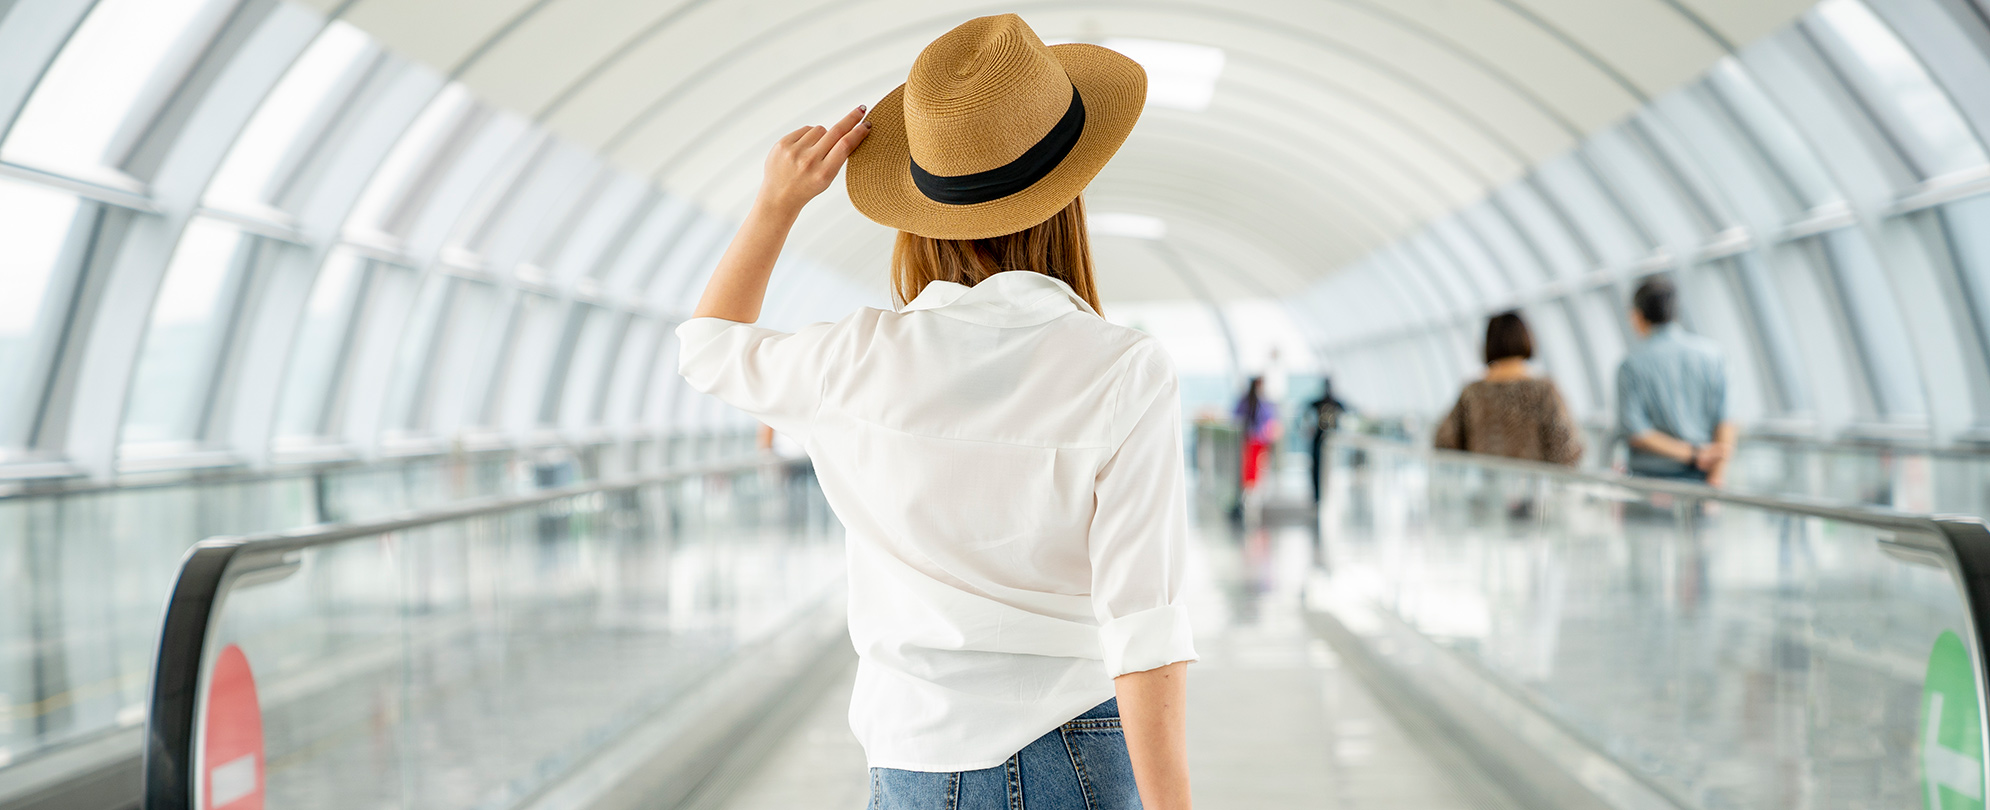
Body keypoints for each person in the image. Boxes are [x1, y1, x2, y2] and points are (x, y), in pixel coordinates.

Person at [673, 16, 1193, 810]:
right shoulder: (1123, 369)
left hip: (908, 757)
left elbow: (708, 349)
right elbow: (1142, 621)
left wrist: (776, 206)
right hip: (1071, 746)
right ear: (1067, 200)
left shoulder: (851, 360)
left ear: (921, 212)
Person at [1617, 276, 1735, 485]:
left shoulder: (1631, 365)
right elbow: (1725, 420)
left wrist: (1694, 454)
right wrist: (1716, 475)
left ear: (1638, 315)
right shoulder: (1713, 356)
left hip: (1649, 484)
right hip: (1700, 479)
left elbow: (1637, 432)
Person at [1434, 311, 1583, 466]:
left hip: (1483, 486)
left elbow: (1444, 441)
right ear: (1525, 337)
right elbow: (1567, 449)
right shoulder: (1543, 390)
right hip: (1531, 487)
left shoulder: (1472, 392)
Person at [1306, 377, 1348, 505]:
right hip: (1319, 441)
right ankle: (1318, 496)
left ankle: (1325, 495)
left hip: (1331, 443)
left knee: (1328, 469)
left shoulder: (1336, 403)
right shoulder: (1318, 403)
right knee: (1317, 468)